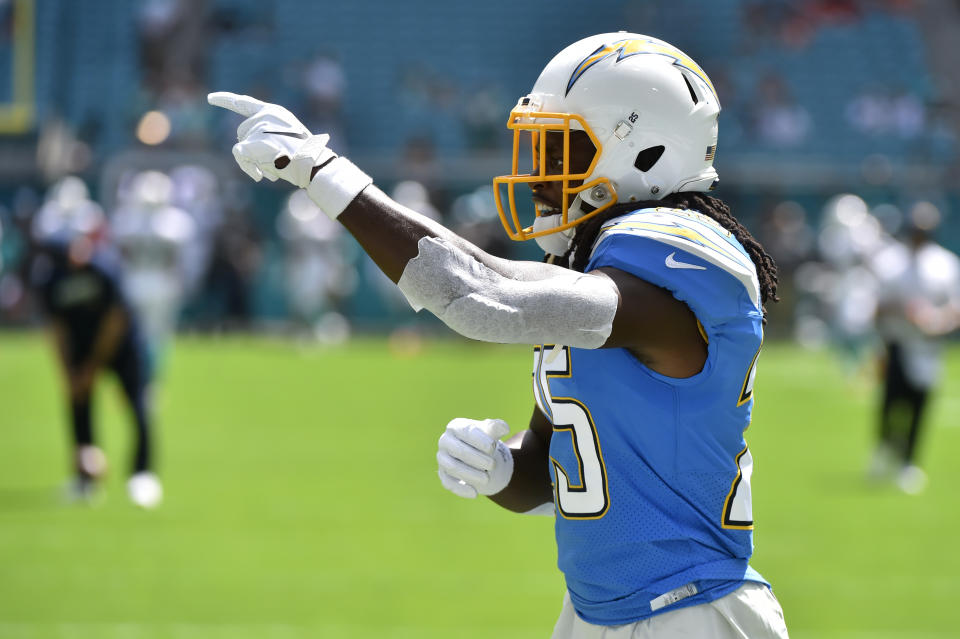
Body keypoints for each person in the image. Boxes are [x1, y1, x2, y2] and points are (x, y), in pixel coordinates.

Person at [209, 32, 787, 637]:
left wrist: (325, 174)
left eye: (561, 149)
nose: (539, 174)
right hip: (599, 612)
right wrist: (501, 468)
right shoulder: (594, 270)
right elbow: (547, 464)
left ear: (646, 153)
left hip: (694, 614)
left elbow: (485, 297)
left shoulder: (676, 263)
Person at [30, 206, 162, 509]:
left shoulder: (105, 268)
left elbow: (115, 322)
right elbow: (57, 329)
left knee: (138, 405)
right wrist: (69, 374)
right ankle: (84, 478)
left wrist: (91, 367)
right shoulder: (51, 279)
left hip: (121, 346)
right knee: (77, 404)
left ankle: (142, 475)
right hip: (80, 345)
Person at [868, 201, 960, 494]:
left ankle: (909, 460)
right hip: (897, 340)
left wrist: (935, 321)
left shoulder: (944, 263)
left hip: (928, 345)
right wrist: (905, 312)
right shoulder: (891, 261)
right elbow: (878, 307)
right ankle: (884, 448)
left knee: (920, 402)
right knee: (891, 400)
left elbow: (954, 308)